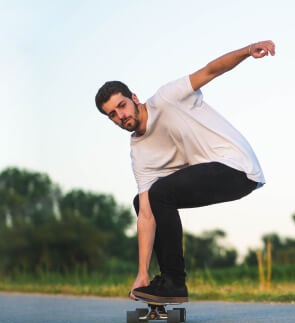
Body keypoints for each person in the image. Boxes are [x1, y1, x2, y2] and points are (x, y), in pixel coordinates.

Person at [95, 40, 275, 302]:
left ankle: (174, 283)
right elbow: (146, 215)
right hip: (212, 174)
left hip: (236, 166)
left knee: (160, 193)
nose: (120, 115)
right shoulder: (139, 152)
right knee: (144, 200)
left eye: (121, 105)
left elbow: (211, 70)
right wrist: (141, 273)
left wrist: (247, 51)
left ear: (134, 99)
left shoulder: (167, 97)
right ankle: (167, 281)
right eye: (112, 114)